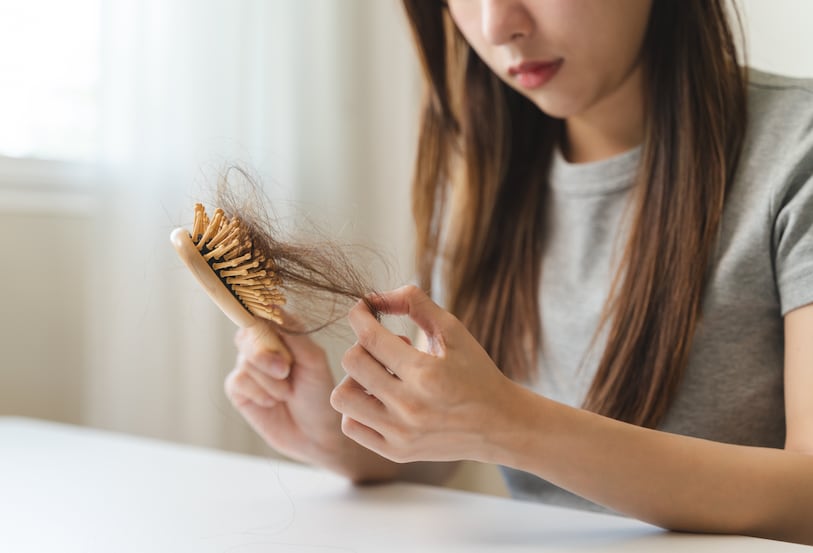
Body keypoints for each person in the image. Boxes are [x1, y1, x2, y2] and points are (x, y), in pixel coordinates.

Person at [225, 0, 813, 545]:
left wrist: (508, 423)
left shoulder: (796, 152)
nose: (496, 25)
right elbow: (454, 445)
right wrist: (339, 435)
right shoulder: (499, 169)